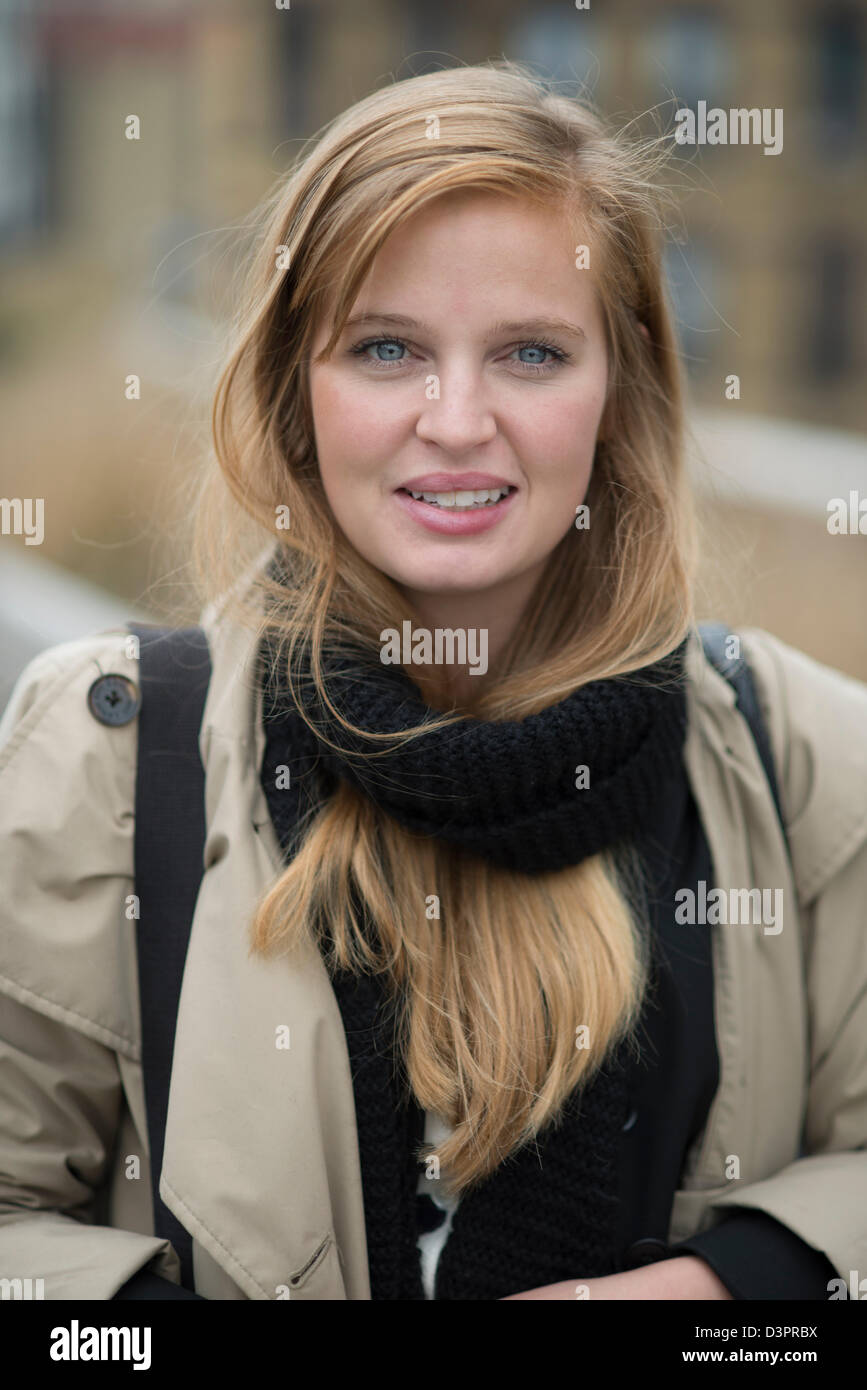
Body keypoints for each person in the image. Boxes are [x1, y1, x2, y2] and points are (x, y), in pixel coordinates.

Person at [1, 60, 865, 1303]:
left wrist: (724, 1292)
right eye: (388, 348)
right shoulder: (109, 759)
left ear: (617, 393)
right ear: (298, 392)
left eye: (529, 352)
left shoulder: (806, 763)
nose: (456, 420)